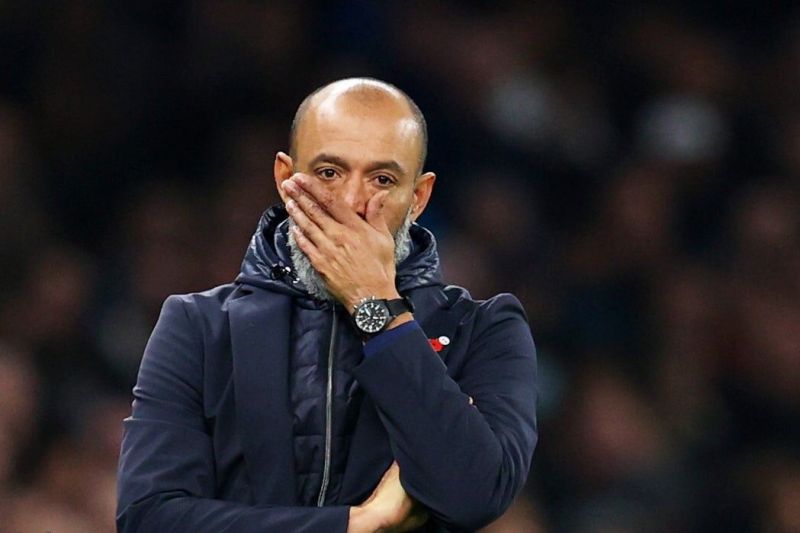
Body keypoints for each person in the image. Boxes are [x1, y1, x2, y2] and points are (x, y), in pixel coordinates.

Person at [116, 78, 538, 532]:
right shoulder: (199, 326)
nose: (352, 202)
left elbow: (475, 495)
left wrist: (375, 305)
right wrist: (356, 524)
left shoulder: (484, 331)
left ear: (418, 198)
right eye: (329, 173)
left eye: (382, 179)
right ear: (285, 179)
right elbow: (149, 518)